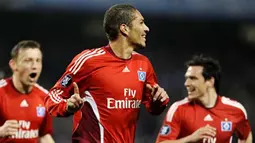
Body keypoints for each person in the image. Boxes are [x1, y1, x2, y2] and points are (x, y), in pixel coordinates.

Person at [44, 4, 169, 143]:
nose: (146, 28)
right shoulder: (89, 60)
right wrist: (67, 106)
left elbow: (153, 107)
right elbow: (53, 96)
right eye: (141, 22)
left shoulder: (143, 64)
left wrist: (160, 101)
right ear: (124, 28)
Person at [156, 55, 252, 143]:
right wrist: (190, 139)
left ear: (210, 81)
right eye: (186, 78)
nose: (186, 83)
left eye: (193, 78)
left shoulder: (235, 110)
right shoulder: (178, 109)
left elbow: (245, 137)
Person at [0, 40, 55, 143]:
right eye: (28, 60)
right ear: (13, 64)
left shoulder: (45, 97)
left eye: (38, 60)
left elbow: (44, 136)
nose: (34, 66)